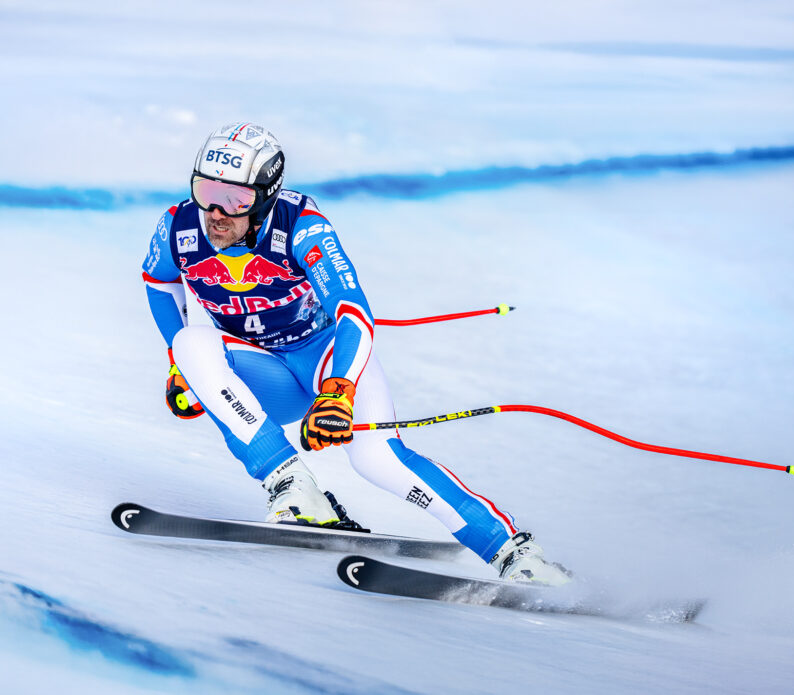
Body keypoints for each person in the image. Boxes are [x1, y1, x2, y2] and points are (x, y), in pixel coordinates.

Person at [141, 122, 571, 586]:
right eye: (205, 190)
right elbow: (160, 286)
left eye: (236, 200)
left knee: (377, 459)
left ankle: (514, 552)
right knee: (189, 346)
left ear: (265, 197)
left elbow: (353, 313)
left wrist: (338, 390)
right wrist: (179, 367)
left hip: (328, 361)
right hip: (265, 376)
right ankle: (293, 488)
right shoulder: (178, 226)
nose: (215, 213)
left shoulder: (302, 226)